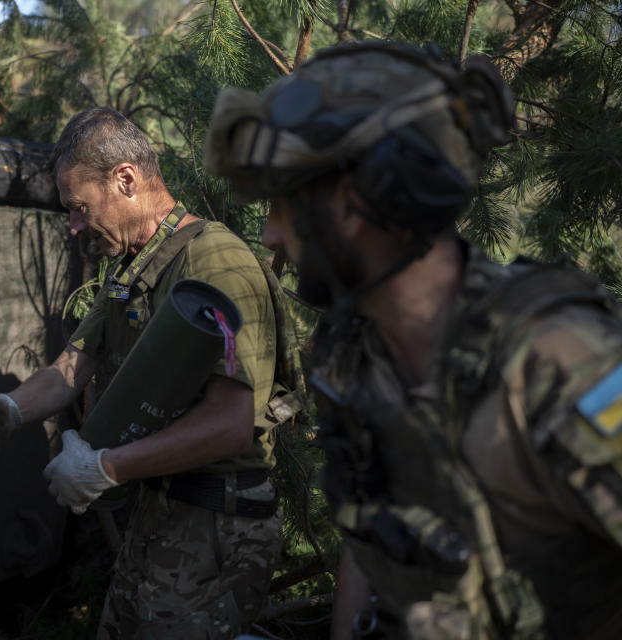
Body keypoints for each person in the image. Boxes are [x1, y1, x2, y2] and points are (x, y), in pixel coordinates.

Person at [204, 41, 622, 640]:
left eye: (285, 203)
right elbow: (372, 544)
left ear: (361, 202)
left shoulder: (559, 357)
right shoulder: (351, 353)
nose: (269, 233)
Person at [0, 106, 294, 639]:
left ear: (126, 179)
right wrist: (9, 411)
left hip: (216, 526)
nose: (75, 224)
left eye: (81, 207)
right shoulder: (134, 269)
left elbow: (231, 422)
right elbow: (72, 364)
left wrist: (106, 467)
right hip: (160, 513)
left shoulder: (215, 263)